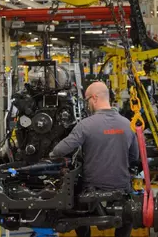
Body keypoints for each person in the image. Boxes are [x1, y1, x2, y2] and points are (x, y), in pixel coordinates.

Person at [50, 81, 139, 237]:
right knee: (128, 214)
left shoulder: (85, 125)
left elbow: (60, 150)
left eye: (87, 100)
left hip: (92, 187)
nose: (87, 104)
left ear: (95, 98)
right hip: (122, 185)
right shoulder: (127, 124)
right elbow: (134, 157)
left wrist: (50, 154)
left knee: (74, 205)